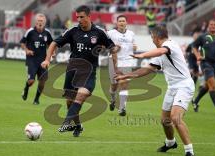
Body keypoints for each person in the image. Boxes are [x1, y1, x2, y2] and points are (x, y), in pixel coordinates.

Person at [115, 25, 196, 156]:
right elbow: (147, 69)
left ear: (156, 37)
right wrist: (126, 76)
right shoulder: (161, 52)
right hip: (172, 87)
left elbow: (161, 51)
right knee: (165, 120)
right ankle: (170, 143)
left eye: (152, 36)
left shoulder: (170, 45)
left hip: (184, 86)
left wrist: (142, 55)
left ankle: (189, 151)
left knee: (175, 117)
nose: (152, 39)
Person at [41, 5, 117, 137]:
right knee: (70, 102)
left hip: (89, 72)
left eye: (82, 17)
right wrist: (47, 59)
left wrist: (115, 68)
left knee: (81, 96)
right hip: (72, 70)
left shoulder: (99, 32)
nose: (79, 19)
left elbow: (112, 48)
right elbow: (54, 43)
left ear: (89, 16)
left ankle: (66, 122)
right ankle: (78, 125)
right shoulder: (73, 31)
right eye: (77, 17)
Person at [192, 19, 215, 114]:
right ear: (208, 25)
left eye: (214, 25)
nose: (213, 26)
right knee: (213, 86)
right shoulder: (203, 37)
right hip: (205, 63)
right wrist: (197, 56)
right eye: (211, 24)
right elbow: (193, 46)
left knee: (208, 86)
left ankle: (195, 101)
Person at [107, 15, 137, 116]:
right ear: (116, 23)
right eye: (120, 21)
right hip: (114, 61)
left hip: (128, 61)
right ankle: (112, 99)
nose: (121, 23)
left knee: (124, 84)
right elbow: (104, 46)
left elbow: (134, 47)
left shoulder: (131, 34)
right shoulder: (111, 33)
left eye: (123, 21)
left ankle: (122, 108)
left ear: (126, 22)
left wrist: (135, 47)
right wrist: (114, 48)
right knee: (114, 86)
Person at [21, 13, 53, 105]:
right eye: (38, 20)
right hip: (31, 60)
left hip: (43, 61)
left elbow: (52, 44)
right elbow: (22, 43)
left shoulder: (47, 33)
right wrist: (26, 50)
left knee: (42, 82)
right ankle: (26, 88)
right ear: (35, 21)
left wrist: (52, 53)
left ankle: (36, 99)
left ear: (45, 22)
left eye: (42, 21)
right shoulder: (30, 31)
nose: (40, 22)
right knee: (31, 81)